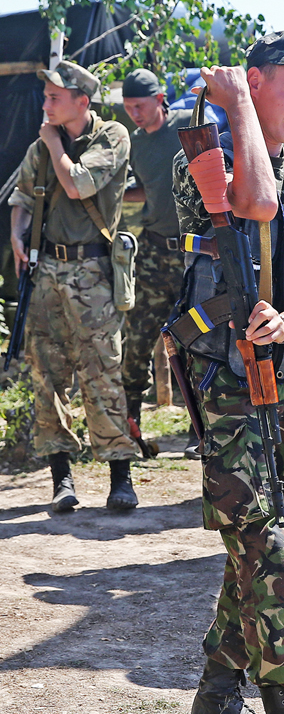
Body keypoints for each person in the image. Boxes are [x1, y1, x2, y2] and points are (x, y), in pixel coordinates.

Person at [172, 31, 284, 713]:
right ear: (251, 82)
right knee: (267, 538)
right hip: (226, 379)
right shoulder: (203, 156)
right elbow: (257, 203)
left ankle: (219, 679)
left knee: (260, 534)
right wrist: (240, 107)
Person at [8, 60, 138, 512]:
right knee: (47, 375)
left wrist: (51, 141)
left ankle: (119, 476)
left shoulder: (112, 137)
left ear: (82, 102)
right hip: (46, 273)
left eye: (54, 98)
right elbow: (23, 195)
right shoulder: (42, 145)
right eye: (46, 97)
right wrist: (17, 232)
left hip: (94, 272)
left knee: (102, 373)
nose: (45, 105)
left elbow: (80, 184)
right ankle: (61, 479)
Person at [120, 69, 200, 458]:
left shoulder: (188, 125)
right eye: (128, 106)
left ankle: (198, 430)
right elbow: (143, 188)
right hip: (153, 253)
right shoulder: (134, 142)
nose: (134, 112)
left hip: (194, 254)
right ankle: (130, 428)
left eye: (140, 105)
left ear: (159, 99)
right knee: (137, 340)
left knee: (197, 341)